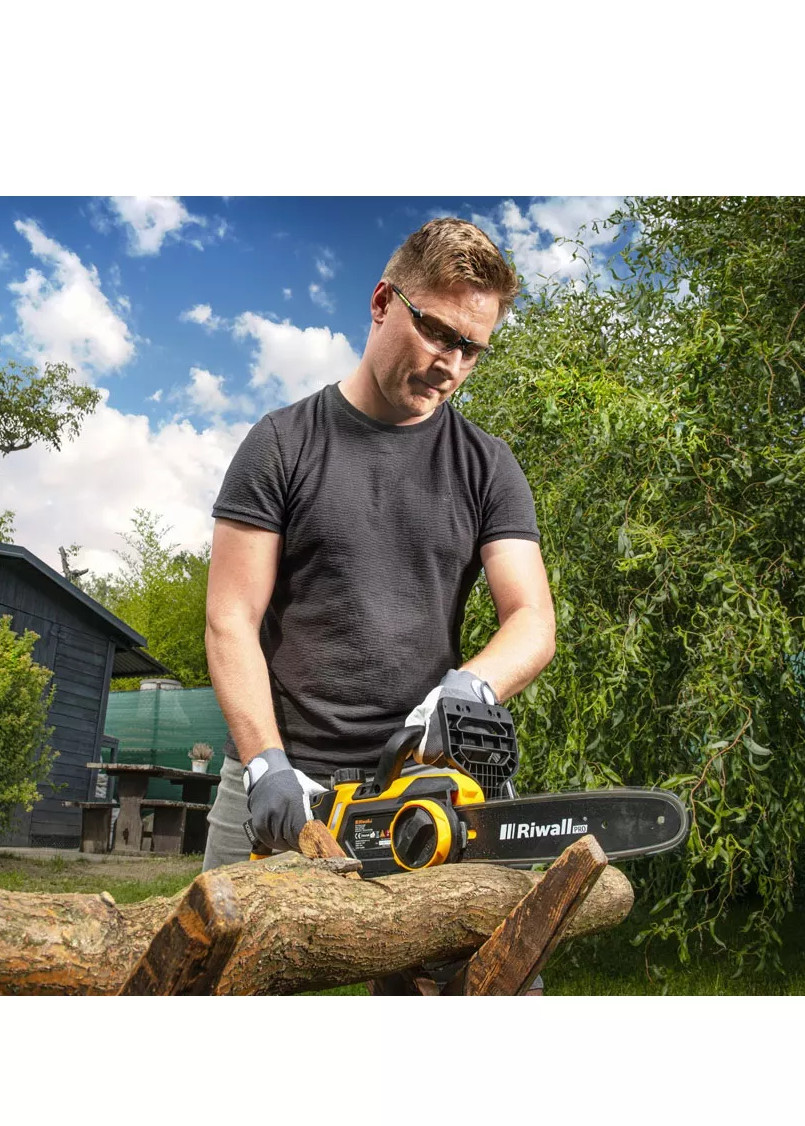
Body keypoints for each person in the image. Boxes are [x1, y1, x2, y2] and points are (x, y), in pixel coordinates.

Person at [202, 218, 556, 876]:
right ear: (382, 302)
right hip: (282, 772)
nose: (451, 365)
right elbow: (230, 618)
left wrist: (472, 688)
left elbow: (531, 618)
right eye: (438, 332)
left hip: (424, 782)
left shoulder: (488, 465)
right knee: (210, 942)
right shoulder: (281, 443)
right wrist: (263, 764)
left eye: (472, 349)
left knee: (485, 943)